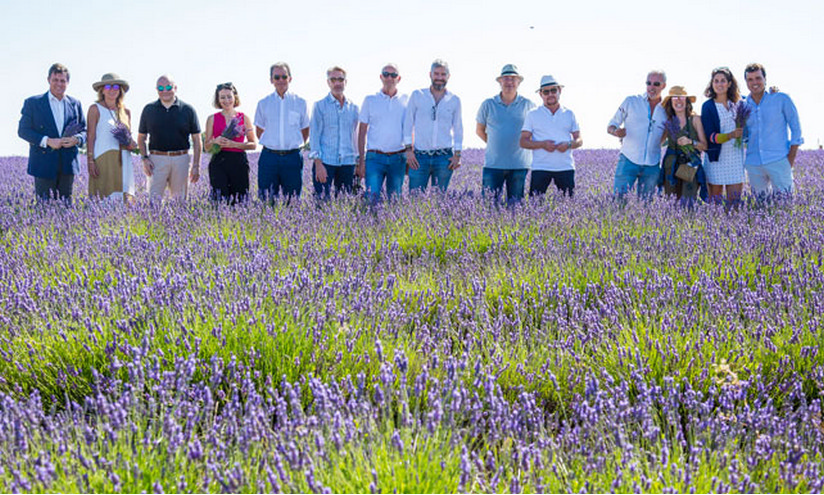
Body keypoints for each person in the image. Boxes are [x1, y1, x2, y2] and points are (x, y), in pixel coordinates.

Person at [18, 63, 86, 202]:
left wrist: (77, 139)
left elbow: (84, 130)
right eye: (55, 80)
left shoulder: (75, 103)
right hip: (43, 163)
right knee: (44, 208)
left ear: (68, 82)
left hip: (68, 163)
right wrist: (47, 141)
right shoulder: (33, 103)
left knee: (65, 210)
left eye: (62, 81)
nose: (59, 84)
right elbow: (23, 131)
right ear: (48, 80)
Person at [476, 64, 535, 205]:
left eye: (513, 79)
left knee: (516, 208)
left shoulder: (529, 105)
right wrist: (495, 144)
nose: (509, 82)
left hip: (519, 165)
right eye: (506, 79)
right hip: (493, 164)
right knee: (488, 207)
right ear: (500, 82)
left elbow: (535, 132)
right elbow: (479, 130)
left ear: (519, 82)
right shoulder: (488, 104)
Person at [742, 63, 803, 196]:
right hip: (754, 163)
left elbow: (796, 129)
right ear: (746, 82)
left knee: (785, 206)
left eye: (758, 78)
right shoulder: (744, 104)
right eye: (750, 79)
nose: (754, 82)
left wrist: (790, 160)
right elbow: (744, 133)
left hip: (779, 160)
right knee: (760, 208)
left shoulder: (781, 99)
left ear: (765, 79)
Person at [138, 75, 202, 201]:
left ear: (175, 88)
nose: (165, 91)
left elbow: (197, 140)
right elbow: (141, 138)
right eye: (161, 88)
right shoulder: (148, 109)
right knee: (153, 201)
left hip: (181, 159)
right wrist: (144, 158)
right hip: (156, 159)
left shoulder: (188, 110)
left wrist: (196, 165)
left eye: (168, 87)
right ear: (156, 89)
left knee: (180, 202)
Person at [403, 59, 463, 193]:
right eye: (436, 74)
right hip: (419, 157)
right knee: (415, 199)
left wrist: (457, 155)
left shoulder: (454, 100)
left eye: (443, 74)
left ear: (448, 76)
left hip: (443, 157)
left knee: (439, 200)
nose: (439, 78)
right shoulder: (418, 95)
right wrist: (408, 150)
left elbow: (458, 129)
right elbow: (408, 124)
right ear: (430, 74)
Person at [607, 70, 668, 199]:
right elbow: (611, 125)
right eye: (648, 83)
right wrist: (615, 132)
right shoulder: (631, 101)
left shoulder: (666, 109)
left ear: (663, 86)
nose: (651, 87)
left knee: (646, 206)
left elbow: (667, 132)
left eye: (656, 84)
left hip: (652, 164)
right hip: (628, 160)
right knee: (618, 202)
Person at [254, 62, 310, 201]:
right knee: (266, 201)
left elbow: (305, 129)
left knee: (293, 202)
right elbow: (259, 130)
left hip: (292, 158)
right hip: (269, 158)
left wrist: (292, 144)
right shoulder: (263, 103)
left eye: (284, 77)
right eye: (277, 77)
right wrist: (274, 144)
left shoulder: (300, 102)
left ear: (290, 78)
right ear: (271, 80)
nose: (281, 80)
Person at [519, 75, 582, 196]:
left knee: (569, 207)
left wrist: (568, 145)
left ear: (560, 91)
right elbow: (523, 141)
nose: (550, 94)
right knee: (535, 206)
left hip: (565, 167)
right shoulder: (532, 114)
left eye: (553, 90)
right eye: (546, 92)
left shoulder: (569, 114)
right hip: (540, 167)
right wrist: (542, 145)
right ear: (541, 94)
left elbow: (579, 140)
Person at [358, 63, 408, 203]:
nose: (389, 78)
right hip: (375, 158)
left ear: (399, 78)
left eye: (393, 75)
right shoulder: (370, 100)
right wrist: (361, 160)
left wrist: (410, 154)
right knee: (371, 200)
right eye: (386, 74)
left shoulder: (406, 101)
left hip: (398, 157)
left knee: (395, 201)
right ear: (381, 77)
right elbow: (362, 132)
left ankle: (390, 225)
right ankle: (369, 225)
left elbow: (411, 130)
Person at [310, 66, 359, 199]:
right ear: (328, 82)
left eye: (340, 79)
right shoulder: (319, 106)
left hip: (348, 162)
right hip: (326, 161)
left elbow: (355, 136)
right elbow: (314, 135)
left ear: (345, 82)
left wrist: (358, 161)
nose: (337, 83)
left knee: (345, 204)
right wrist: (318, 164)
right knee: (321, 203)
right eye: (333, 79)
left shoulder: (353, 108)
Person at [203, 82, 257, 204]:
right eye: (222, 97)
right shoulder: (212, 119)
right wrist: (215, 141)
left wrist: (234, 144)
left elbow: (253, 144)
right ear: (218, 99)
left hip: (238, 162)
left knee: (240, 201)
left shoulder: (244, 118)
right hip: (218, 162)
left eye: (229, 96)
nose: (226, 100)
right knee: (219, 201)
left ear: (235, 97)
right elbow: (207, 147)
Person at [86, 73, 136, 202]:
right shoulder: (95, 109)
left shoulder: (126, 112)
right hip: (103, 157)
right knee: (103, 198)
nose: (112, 90)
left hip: (124, 159)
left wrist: (133, 144)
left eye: (116, 87)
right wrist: (90, 160)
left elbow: (130, 137)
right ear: (102, 90)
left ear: (120, 90)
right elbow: (90, 137)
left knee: (124, 199)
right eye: (108, 86)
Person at [700, 67, 745, 205]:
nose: (719, 84)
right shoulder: (708, 106)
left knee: (735, 203)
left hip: (735, 158)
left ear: (730, 83)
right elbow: (710, 136)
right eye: (716, 81)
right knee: (715, 205)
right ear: (712, 84)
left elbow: (756, 102)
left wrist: (772, 93)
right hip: (715, 159)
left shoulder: (739, 103)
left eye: (723, 81)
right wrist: (730, 135)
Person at [659, 86, 708, 202]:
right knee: (671, 202)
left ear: (687, 101)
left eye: (681, 97)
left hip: (689, 164)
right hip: (671, 165)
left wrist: (690, 142)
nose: (678, 100)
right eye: (674, 97)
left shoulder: (695, 120)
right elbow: (658, 143)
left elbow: (704, 146)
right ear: (671, 102)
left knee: (688, 202)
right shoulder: (668, 122)